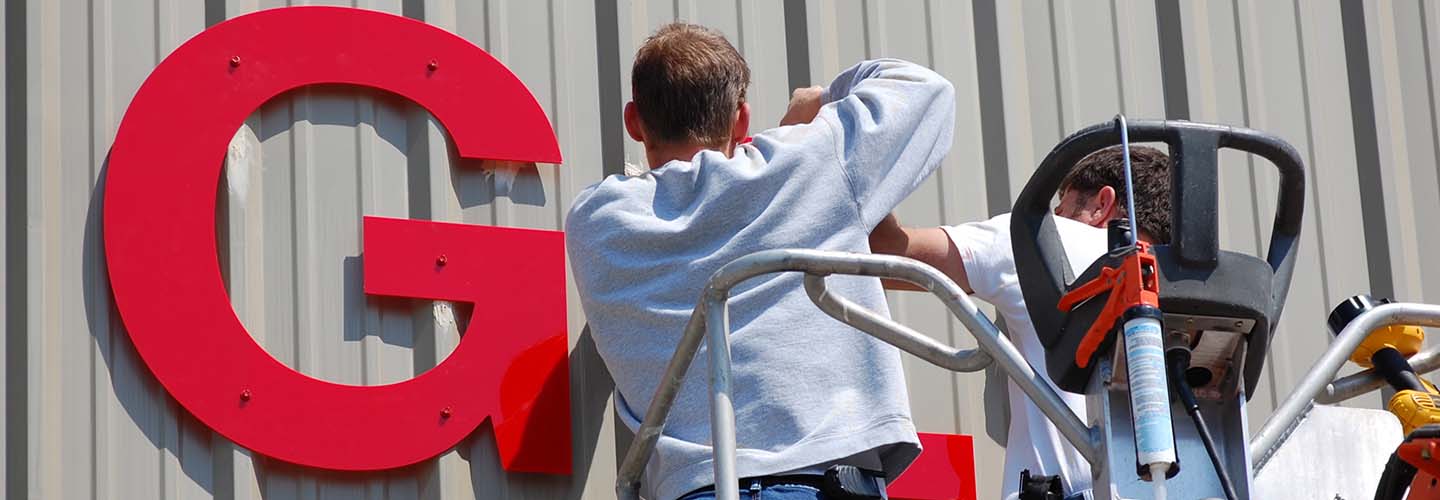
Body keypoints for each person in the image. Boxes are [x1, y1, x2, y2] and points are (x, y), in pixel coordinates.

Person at [566, 23, 956, 500]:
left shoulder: (596, 222)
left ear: (634, 121)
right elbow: (927, 90)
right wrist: (819, 103)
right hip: (822, 482)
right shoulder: (808, 161)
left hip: (695, 488)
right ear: (742, 120)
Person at [868, 145, 1173, 500]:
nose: (1056, 214)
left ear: (1101, 204)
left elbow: (884, 254)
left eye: (1063, 206)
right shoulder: (1208, 289)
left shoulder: (1048, 241)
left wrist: (847, 139)